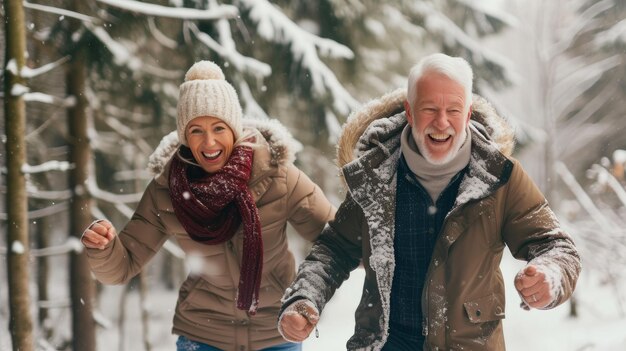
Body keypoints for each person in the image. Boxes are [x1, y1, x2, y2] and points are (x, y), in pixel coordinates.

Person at [277, 53, 581, 350]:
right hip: (386, 342)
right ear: (409, 112)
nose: (441, 122)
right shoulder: (376, 176)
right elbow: (334, 249)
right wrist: (304, 297)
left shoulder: (500, 177)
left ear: (468, 112)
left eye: (453, 110)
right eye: (429, 109)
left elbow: (555, 246)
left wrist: (550, 274)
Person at [81, 60, 335, 351]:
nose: (209, 141)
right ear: (185, 137)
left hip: (276, 332)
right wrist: (103, 249)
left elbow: (337, 239)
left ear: (235, 130)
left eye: (218, 127)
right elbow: (121, 266)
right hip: (203, 334)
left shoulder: (277, 175)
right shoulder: (168, 190)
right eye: (196, 130)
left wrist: (378, 239)